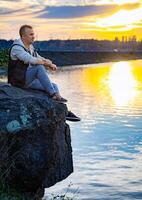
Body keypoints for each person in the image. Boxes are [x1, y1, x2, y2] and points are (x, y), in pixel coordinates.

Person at [8, 24, 81, 122]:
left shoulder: (30, 47)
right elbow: (31, 60)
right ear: (23, 36)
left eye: (33, 34)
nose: (33, 36)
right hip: (18, 81)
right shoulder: (17, 48)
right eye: (31, 34)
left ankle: (62, 110)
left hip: (27, 80)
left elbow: (38, 57)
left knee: (53, 85)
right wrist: (45, 63)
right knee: (39, 67)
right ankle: (54, 95)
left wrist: (50, 64)